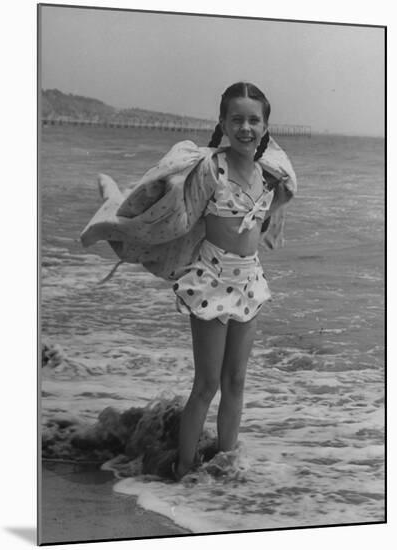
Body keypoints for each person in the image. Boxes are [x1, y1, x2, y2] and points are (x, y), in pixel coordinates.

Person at [80, 81, 296, 481]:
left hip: (250, 281)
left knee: (236, 380)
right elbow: (172, 218)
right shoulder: (209, 170)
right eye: (237, 119)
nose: (245, 127)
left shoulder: (270, 175)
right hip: (212, 282)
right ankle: (184, 468)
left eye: (254, 120)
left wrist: (280, 202)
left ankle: (226, 464)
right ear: (223, 122)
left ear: (266, 126)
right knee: (207, 383)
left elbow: (269, 215)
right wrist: (128, 227)